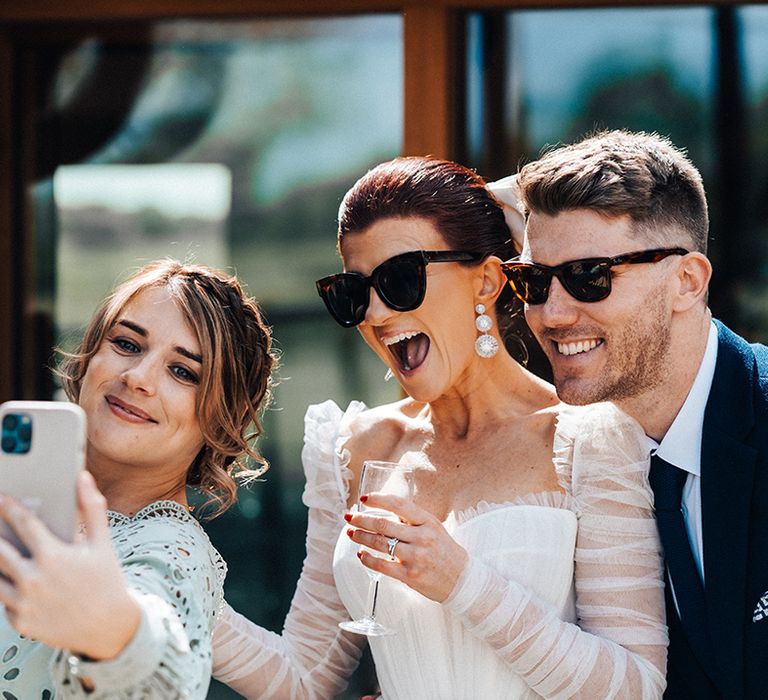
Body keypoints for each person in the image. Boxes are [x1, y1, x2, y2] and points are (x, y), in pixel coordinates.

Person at [212, 156, 668, 699]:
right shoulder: (354, 450)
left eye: (401, 280)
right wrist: (174, 592)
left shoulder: (590, 440)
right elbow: (306, 679)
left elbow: (637, 687)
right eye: (353, 293)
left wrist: (461, 581)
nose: (377, 314)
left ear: (488, 280)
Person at [508, 129, 768, 699]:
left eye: (589, 277)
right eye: (531, 280)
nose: (551, 315)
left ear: (686, 281)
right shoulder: (566, 460)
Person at [0, 259, 275, 698]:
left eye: (183, 372)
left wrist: (115, 635)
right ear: (90, 355)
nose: (138, 378)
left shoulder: (173, 552)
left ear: (223, 422)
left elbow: (163, 673)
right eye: (127, 344)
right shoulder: (24, 497)